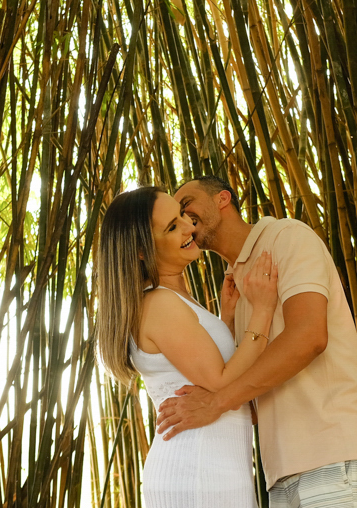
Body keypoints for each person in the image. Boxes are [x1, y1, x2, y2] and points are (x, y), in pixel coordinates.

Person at [158, 176, 357, 508]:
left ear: (223, 199)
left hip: (334, 454)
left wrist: (217, 402)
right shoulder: (233, 284)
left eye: (186, 206)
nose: (183, 220)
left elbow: (309, 337)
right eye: (175, 219)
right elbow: (251, 396)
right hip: (280, 474)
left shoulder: (286, 237)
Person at [94, 185, 281, 507]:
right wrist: (263, 311)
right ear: (141, 251)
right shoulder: (159, 303)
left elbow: (209, 378)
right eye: (172, 227)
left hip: (212, 469)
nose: (189, 226)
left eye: (182, 215)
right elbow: (221, 381)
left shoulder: (172, 300)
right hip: (197, 473)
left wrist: (227, 322)